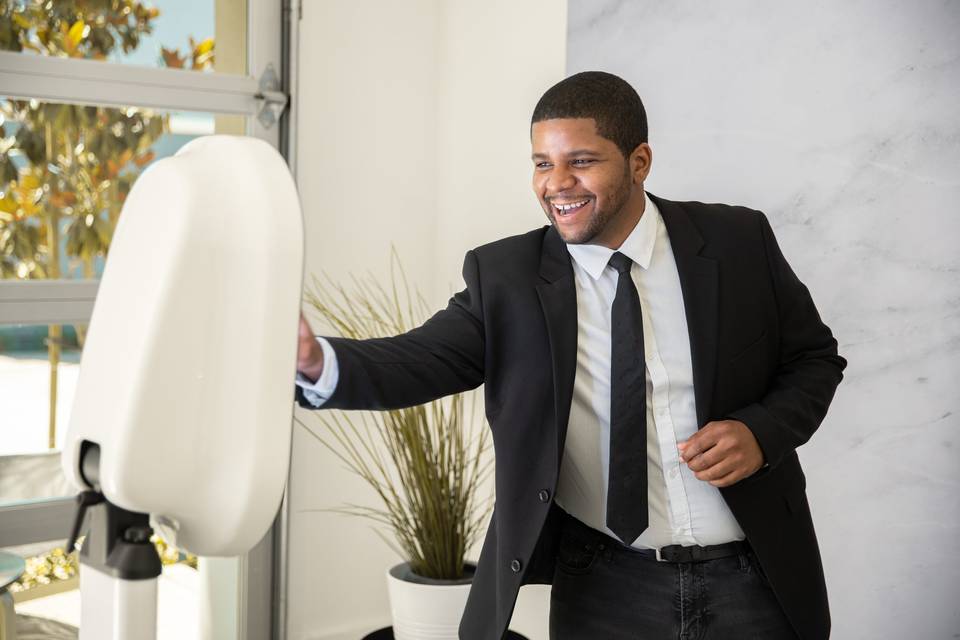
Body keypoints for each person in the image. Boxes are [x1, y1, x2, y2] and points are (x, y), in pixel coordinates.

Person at [295, 71, 846, 640]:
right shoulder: (505, 277)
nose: (556, 184)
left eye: (581, 161)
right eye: (541, 163)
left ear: (639, 162)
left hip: (754, 576)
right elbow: (419, 360)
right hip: (603, 586)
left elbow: (814, 359)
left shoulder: (737, 240)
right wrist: (318, 364)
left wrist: (760, 432)